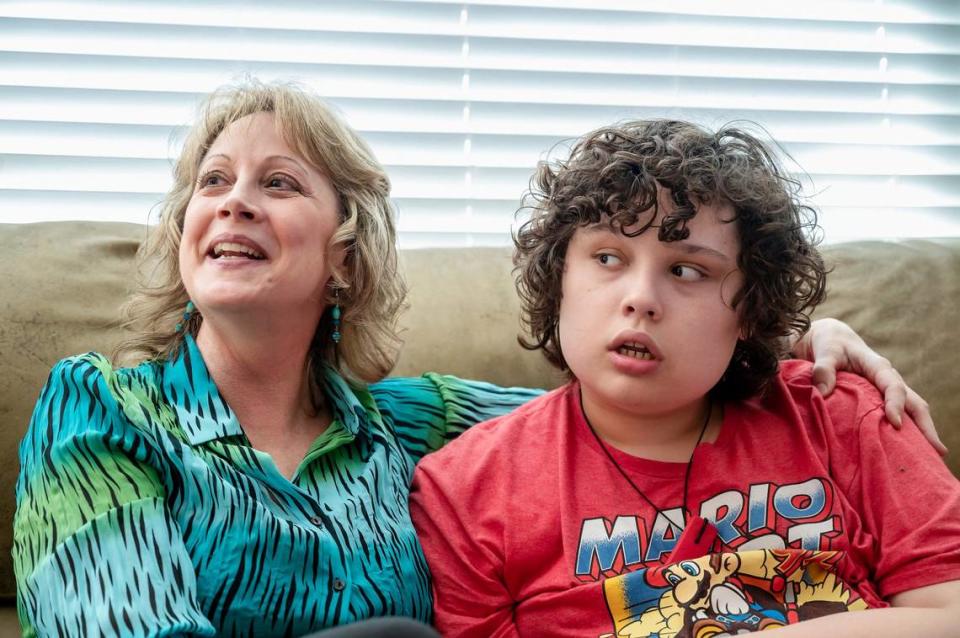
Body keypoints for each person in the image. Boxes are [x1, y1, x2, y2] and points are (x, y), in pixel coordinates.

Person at [11, 82, 942, 638]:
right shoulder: (103, 413)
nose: (233, 202)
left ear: (344, 257)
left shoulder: (408, 426)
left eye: (279, 183)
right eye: (211, 184)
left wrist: (805, 342)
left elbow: (612, 403)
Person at [409, 120, 960, 637]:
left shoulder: (840, 411)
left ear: (748, 309)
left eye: (686, 270)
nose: (641, 299)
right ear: (559, 281)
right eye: (607, 257)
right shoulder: (465, 490)